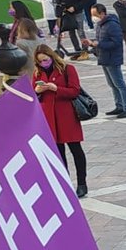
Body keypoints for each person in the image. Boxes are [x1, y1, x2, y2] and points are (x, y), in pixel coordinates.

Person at [30, 43, 88, 196]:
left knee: (76, 150)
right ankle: (65, 183)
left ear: (51, 57)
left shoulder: (67, 69)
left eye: (46, 59)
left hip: (67, 115)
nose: (44, 63)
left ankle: (82, 183)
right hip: (49, 117)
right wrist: (37, 91)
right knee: (58, 153)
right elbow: (33, 96)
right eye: (40, 61)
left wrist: (56, 89)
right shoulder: (37, 73)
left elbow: (74, 91)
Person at [88, 4, 126, 118]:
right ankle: (119, 106)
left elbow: (116, 42)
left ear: (102, 13)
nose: (93, 17)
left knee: (119, 83)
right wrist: (93, 44)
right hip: (104, 57)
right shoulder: (100, 25)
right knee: (112, 84)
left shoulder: (112, 25)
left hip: (112, 58)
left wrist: (100, 44)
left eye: (95, 14)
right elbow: (100, 40)